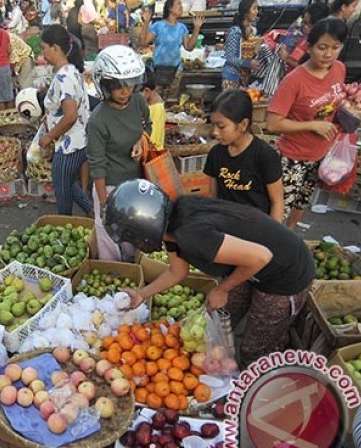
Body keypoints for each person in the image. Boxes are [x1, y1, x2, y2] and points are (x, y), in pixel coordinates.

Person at [106, 179, 315, 366]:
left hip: (286, 273)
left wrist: (223, 289)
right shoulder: (172, 225)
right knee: (223, 322)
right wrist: (142, 294)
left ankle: (267, 375)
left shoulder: (194, 235)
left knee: (254, 350)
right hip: (251, 266)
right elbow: (177, 272)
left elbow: (261, 257)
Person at [266, 18, 347, 229]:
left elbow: (336, 102)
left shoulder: (339, 69)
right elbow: (273, 124)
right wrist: (312, 125)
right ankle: (271, 248)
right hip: (293, 157)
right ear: (309, 47)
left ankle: (291, 237)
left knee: (302, 202)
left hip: (320, 154)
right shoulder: (294, 81)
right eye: (322, 47)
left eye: (335, 47)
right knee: (279, 208)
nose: (328, 54)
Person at [37, 25, 93, 216]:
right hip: (78, 141)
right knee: (67, 183)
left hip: (70, 145)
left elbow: (70, 116)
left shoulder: (64, 76)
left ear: (55, 48)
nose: (42, 51)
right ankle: (94, 214)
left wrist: (48, 136)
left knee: (62, 195)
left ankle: (65, 227)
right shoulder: (70, 70)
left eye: (44, 47)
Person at [204, 90, 283, 221]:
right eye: (213, 125)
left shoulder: (265, 155)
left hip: (258, 226)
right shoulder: (216, 154)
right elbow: (213, 195)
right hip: (227, 224)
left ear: (243, 125)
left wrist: (272, 237)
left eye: (221, 126)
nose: (215, 132)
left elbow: (277, 202)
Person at [88, 45, 147, 216]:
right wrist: (103, 203)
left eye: (130, 84)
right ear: (105, 85)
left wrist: (140, 141)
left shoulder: (138, 102)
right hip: (110, 186)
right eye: (118, 85)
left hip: (137, 181)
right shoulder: (97, 121)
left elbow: (147, 125)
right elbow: (97, 166)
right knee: (109, 237)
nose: (126, 91)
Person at [139, 0, 204, 90]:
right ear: (170, 8)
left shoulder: (182, 28)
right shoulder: (158, 26)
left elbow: (189, 47)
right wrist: (146, 23)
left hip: (176, 71)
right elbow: (142, 43)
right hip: (157, 70)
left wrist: (196, 28)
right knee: (157, 101)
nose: (181, 6)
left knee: (172, 101)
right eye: (178, 4)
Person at [222, 0, 260, 90]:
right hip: (231, 78)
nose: (257, 11)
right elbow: (230, 57)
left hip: (244, 79)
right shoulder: (235, 32)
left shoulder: (253, 31)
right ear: (246, 12)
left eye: (257, 8)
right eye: (254, 8)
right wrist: (248, 64)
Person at [142, 67, 165, 149]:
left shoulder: (156, 109)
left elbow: (151, 141)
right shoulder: (150, 104)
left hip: (151, 154)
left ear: (146, 91)